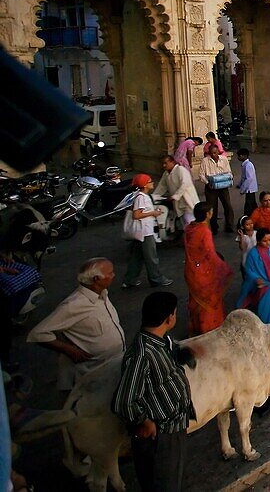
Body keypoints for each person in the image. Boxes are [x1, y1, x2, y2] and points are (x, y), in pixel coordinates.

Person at [112, 291, 193, 492]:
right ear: (169, 318)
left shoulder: (161, 339)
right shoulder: (142, 354)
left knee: (173, 476)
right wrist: (144, 421)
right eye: (175, 313)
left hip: (175, 425)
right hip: (161, 435)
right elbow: (124, 401)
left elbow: (172, 350)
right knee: (163, 483)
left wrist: (185, 354)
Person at [26, 258, 124, 393]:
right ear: (97, 279)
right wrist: (69, 350)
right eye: (110, 273)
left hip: (111, 368)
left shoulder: (102, 294)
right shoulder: (73, 305)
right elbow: (38, 334)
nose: (114, 275)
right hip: (91, 375)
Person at [183, 203, 232, 336]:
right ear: (207, 215)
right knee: (210, 304)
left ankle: (197, 328)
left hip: (193, 271)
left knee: (197, 302)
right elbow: (210, 254)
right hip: (205, 273)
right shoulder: (204, 231)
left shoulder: (189, 228)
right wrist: (224, 268)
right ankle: (210, 330)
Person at [123, 174, 172, 289]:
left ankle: (130, 279)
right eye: (150, 181)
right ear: (145, 185)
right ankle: (156, 279)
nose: (152, 183)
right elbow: (137, 215)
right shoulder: (142, 197)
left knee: (137, 257)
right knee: (151, 257)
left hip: (141, 232)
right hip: (145, 232)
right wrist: (153, 213)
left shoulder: (140, 196)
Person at [237, 228, 270, 323]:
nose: (268, 243)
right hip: (265, 284)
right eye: (265, 241)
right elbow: (249, 270)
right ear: (259, 240)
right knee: (266, 308)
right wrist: (256, 278)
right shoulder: (253, 253)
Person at [153, 155, 199, 229]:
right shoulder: (166, 174)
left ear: (172, 162)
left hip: (187, 200)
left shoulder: (180, 170)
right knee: (184, 224)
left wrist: (175, 196)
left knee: (190, 222)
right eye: (162, 163)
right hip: (178, 202)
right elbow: (162, 186)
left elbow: (185, 184)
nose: (164, 165)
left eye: (166, 163)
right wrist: (154, 197)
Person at [196, 143, 234, 234]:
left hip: (223, 185)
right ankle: (214, 227)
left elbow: (229, 172)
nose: (214, 155)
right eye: (212, 153)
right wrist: (207, 182)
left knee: (228, 205)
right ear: (209, 153)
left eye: (215, 153)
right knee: (212, 208)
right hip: (211, 187)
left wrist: (229, 180)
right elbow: (201, 174)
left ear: (218, 152)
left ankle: (229, 225)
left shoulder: (224, 159)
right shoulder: (205, 161)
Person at [236, 148, 258, 218]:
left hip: (249, 188)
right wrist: (240, 185)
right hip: (250, 188)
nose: (238, 157)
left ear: (244, 156)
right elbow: (243, 177)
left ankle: (246, 218)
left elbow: (249, 178)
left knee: (248, 206)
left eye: (239, 156)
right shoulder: (245, 164)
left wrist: (243, 189)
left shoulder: (248, 165)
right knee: (253, 204)